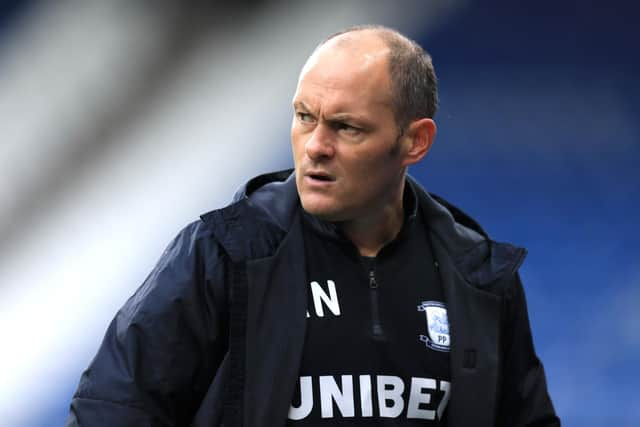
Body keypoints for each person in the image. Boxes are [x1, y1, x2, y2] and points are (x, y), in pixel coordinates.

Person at [66, 25, 560, 427]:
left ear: (415, 142)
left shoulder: (478, 279)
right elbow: (111, 412)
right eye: (304, 117)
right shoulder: (225, 255)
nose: (315, 147)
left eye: (347, 127)